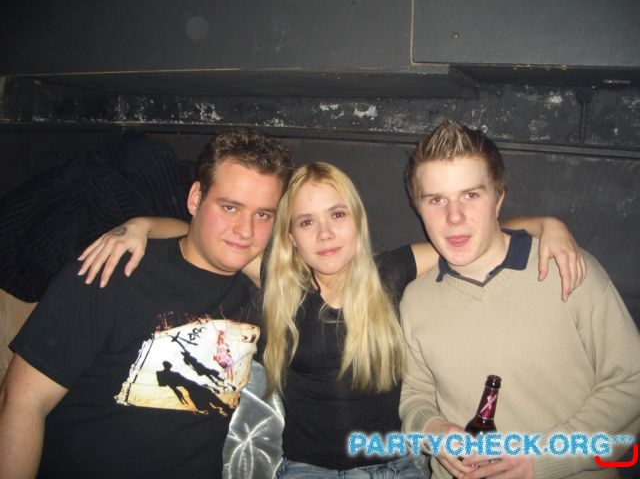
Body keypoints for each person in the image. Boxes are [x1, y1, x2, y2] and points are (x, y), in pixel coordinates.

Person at [75, 159, 585, 478]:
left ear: (357, 221)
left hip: (397, 466)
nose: (324, 234)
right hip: (309, 470)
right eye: (306, 221)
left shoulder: (390, 271)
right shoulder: (277, 283)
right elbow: (205, 237)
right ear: (291, 237)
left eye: (337, 215)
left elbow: (475, 237)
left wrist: (548, 224)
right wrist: (140, 225)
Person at [0, 128, 294, 479]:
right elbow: (21, 404)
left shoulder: (260, 295)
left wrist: (147, 223)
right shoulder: (112, 269)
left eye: (263, 215)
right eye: (229, 207)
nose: (245, 230)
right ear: (195, 198)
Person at [399, 120, 640, 479]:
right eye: (437, 199)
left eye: (471, 195)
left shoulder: (567, 269)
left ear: (499, 198)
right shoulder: (416, 299)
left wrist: (540, 458)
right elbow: (415, 395)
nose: (454, 216)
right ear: (418, 207)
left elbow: (631, 382)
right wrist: (434, 430)